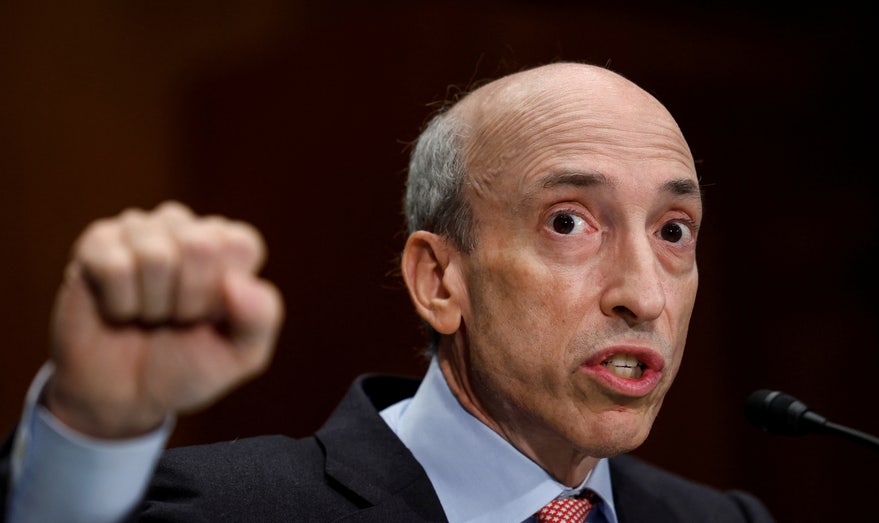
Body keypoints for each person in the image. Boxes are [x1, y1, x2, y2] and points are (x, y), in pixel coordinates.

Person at [1, 61, 774, 522]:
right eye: (568, 221)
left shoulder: (723, 519)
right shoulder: (228, 507)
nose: (642, 294)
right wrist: (92, 429)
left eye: (673, 230)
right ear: (439, 280)